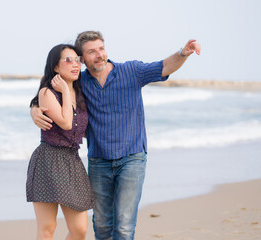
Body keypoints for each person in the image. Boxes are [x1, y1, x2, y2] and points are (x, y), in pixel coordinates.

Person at [31, 31, 201, 240]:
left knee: (123, 226)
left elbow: (164, 67)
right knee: (101, 225)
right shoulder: (79, 82)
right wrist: (34, 108)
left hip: (132, 158)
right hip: (98, 160)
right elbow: (49, 94)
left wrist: (183, 53)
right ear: (83, 60)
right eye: (92, 52)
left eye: (101, 48)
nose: (100, 55)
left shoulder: (131, 71)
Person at [26, 44, 95, 240]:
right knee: (47, 227)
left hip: (72, 162)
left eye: (77, 60)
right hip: (48, 160)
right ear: (55, 67)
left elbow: (80, 130)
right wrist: (65, 90)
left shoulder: (82, 93)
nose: (75, 65)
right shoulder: (47, 93)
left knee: (79, 229)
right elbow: (65, 123)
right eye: (68, 60)